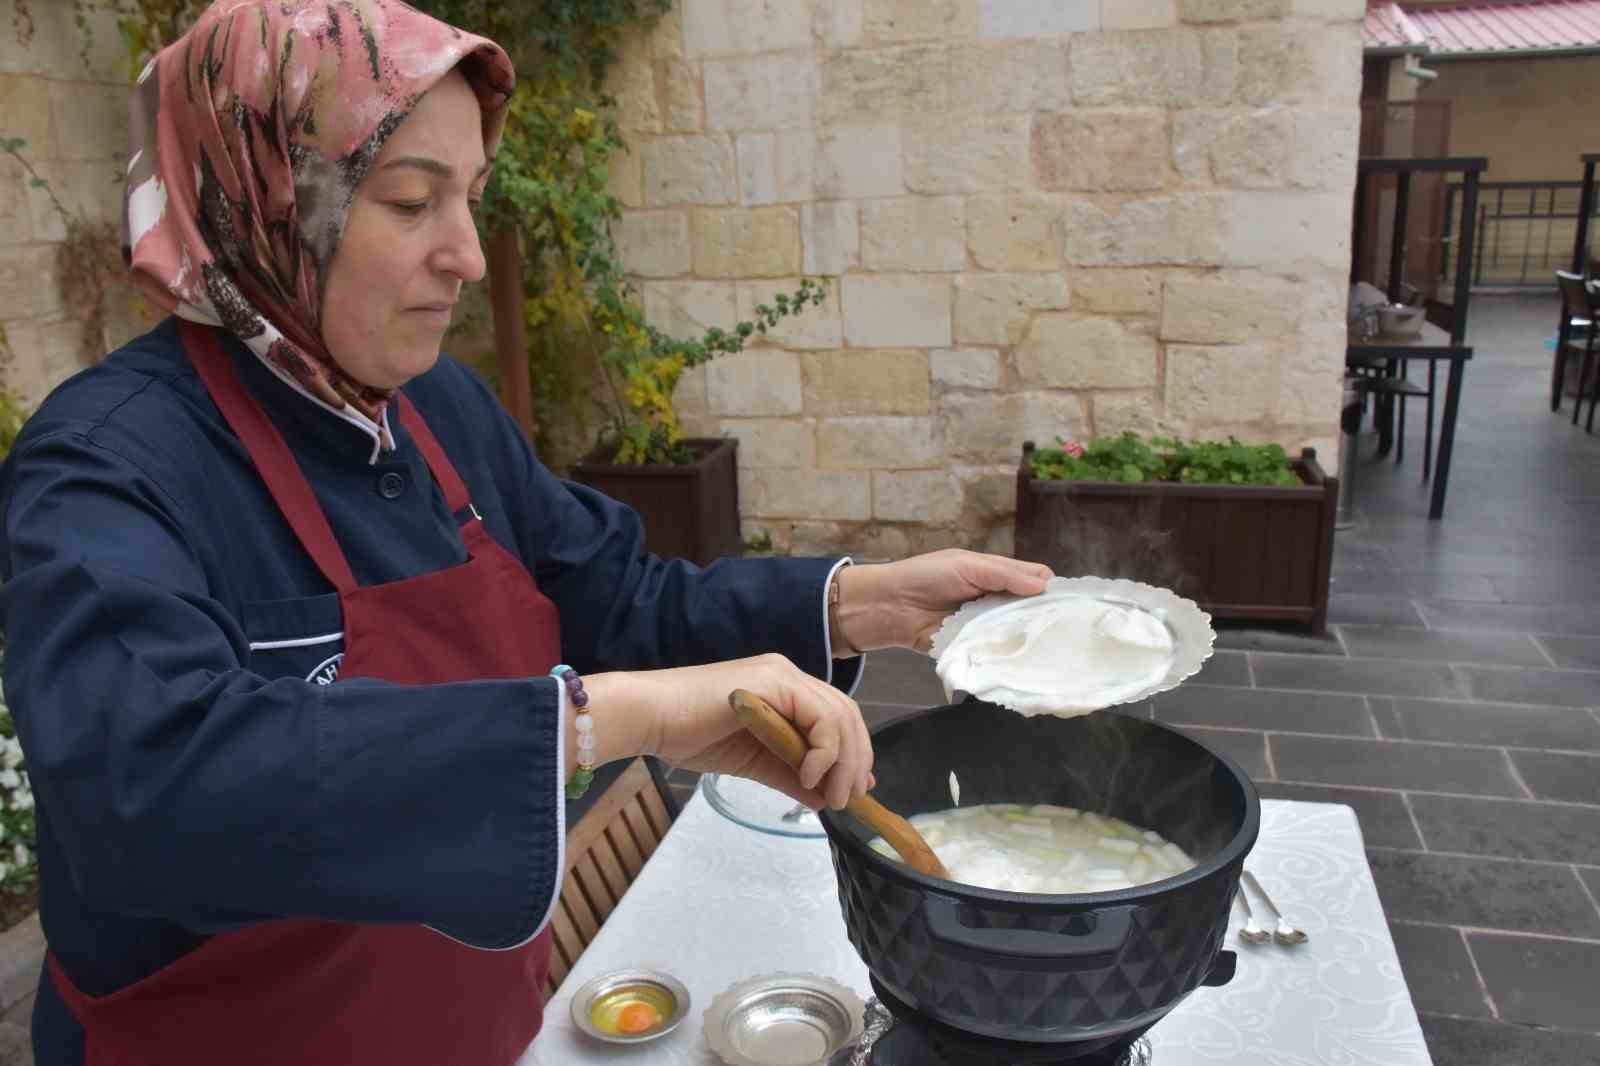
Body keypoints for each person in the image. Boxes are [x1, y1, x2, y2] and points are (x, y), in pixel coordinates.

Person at [0, 3, 1052, 1064]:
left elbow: (617, 597)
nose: (464, 252)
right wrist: (599, 724)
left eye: (472, 197)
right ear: (264, 199)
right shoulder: (102, 466)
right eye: (412, 200)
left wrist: (859, 601)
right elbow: (152, 792)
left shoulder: (435, 408)